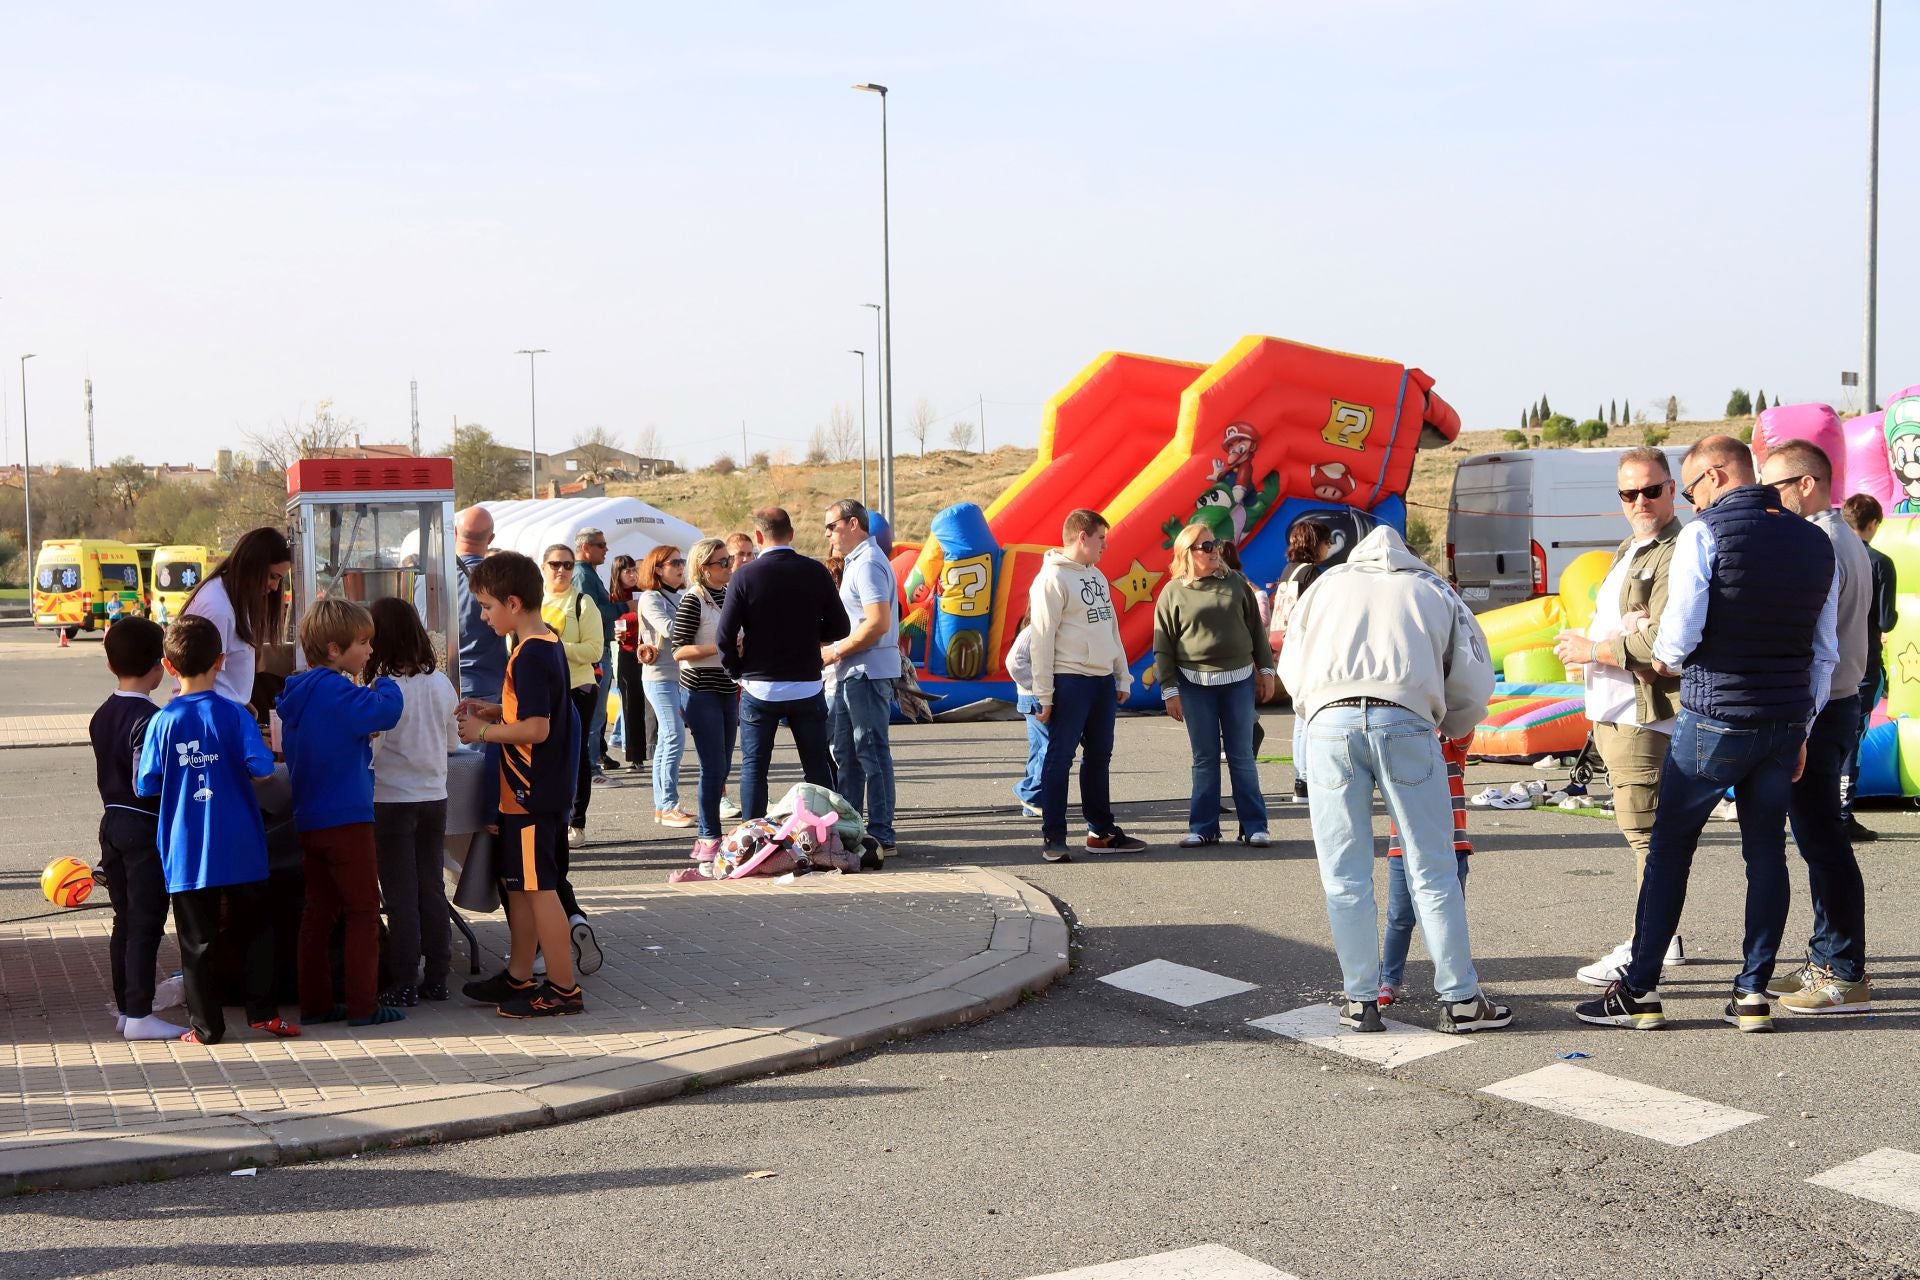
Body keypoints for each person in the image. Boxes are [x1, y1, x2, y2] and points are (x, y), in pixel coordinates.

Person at [1575, 436, 1837, 1034]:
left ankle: (1639, 989)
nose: (1691, 502)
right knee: (1766, 853)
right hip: (1783, 721)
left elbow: (1676, 646)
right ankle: (1751, 993)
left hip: (1716, 717)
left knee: (1669, 848)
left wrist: (1643, 632)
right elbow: (1825, 653)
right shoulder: (1814, 541)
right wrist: (1803, 726)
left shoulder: (1705, 534)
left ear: (1716, 476)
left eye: (1690, 489)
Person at [1278, 524, 1508, 1035]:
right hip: (1405, 719)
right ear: (1409, 554)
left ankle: (1361, 999)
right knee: (1433, 867)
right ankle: (1461, 998)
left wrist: (1317, 707)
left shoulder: (1324, 588)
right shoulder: (1431, 589)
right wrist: (1452, 722)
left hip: (1331, 723)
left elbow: (1292, 664)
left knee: (1345, 874)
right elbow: (1473, 673)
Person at [1551, 447, 1689, 987]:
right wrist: (1613, 634)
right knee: (1644, 832)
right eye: (1628, 493)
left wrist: (1597, 646)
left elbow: (1661, 643)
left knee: (1646, 834)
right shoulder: (1631, 548)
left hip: (1643, 712)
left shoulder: (1676, 550)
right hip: (1616, 707)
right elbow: (1630, 626)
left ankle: (1650, 943)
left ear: (1672, 489)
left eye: (1650, 490)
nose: (1639, 502)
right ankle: (1660, 936)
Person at [134, 615, 296, 1044]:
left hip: (187, 850)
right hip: (241, 844)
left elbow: (145, 784)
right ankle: (264, 1013)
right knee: (257, 932)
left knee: (196, 942)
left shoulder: (162, 723)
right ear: (221, 661)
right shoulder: (235, 715)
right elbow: (262, 768)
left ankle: (206, 1028)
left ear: (168, 666)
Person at [1759, 441, 1875, 1016]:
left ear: (1807, 484)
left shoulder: (1821, 543)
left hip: (1822, 707)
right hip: (1834, 702)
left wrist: (1798, 723)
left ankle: (1843, 971)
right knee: (1817, 838)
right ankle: (1826, 956)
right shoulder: (1844, 538)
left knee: (1822, 840)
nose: (1767, 500)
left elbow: (1817, 642)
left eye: (1775, 487)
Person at [457, 550, 586, 1017]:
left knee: (538, 889)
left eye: (487, 606)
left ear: (513, 603)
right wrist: (495, 711)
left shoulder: (529, 654)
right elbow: (541, 713)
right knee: (520, 887)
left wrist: (484, 732)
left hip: (531, 792)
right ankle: (518, 974)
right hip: (534, 791)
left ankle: (563, 988)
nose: (482, 615)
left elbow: (537, 729)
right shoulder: (543, 642)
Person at [279, 599, 406, 1027]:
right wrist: (385, 684)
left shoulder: (299, 693)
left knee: (318, 913)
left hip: (310, 818)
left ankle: (314, 1003)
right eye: (364, 643)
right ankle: (363, 1005)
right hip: (347, 819)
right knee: (363, 912)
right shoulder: (336, 690)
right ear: (335, 650)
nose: (369, 650)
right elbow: (386, 712)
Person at [1028, 508, 1148, 863]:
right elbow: (1041, 639)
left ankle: (1101, 831)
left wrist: (1121, 673)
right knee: (1060, 757)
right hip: (1069, 679)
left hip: (1100, 680)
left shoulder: (1095, 575)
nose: (1104, 547)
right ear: (1082, 537)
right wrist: (1044, 693)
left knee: (1099, 756)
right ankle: (1054, 836)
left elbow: (1110, 628)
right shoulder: (1052, 579)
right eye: (1100, 539)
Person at [716, 507, 849, 820]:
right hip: (806, 683)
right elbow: (841, 628)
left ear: (760, 537)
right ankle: (825, 833)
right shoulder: (815, 571)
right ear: (791, 534)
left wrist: (736, 672)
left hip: (759, 686)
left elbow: (724, 635)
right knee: (816, 765)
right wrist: (812, 635)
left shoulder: (744, 576)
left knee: (754, 767)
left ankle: (752, 836)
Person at [366, 598, 466, 1006]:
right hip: (434, 796)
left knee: (399, 892)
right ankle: (438, 974)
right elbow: (453, 741)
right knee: (431, 886)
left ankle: (405, 976)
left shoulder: (383, 689)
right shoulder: (440, 683)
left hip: (391, 798)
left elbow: (373, 749)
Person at [91, 617, 185, 1040]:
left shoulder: (102, 715)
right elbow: (147, 780)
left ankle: (127, 1011)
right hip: (143, 826)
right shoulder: (151, 718)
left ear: (111, 666)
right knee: (147, 921)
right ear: (161, 666)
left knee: (124, 920)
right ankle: (140, 1013)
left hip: (110, 821)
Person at [1152, 522, 1274, 848]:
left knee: (1242, 756)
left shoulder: (1235, 583)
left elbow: (1256, 632)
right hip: (1193, 684)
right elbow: (1163, 645)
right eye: (1205, 546)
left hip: (1239, 681)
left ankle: (1254, 826)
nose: (1214, 550)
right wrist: (1169, 690)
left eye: (1214, 544)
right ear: (1187, 552)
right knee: (1204, 759)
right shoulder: (1173, 592)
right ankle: (1204, 828)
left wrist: (1266, 671)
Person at [822, 499, 902, 859]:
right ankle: (851, 829)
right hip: (854, 672)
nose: (827, 534)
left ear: (853, 523)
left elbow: (877, 622)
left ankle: (882, 833)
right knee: (848, 754)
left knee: (870, 753)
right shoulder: (860, 561)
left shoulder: (868, 563)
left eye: (832, 526)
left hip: (865, 672)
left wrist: (836, 650)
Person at [1379, 733, 1473, 1007]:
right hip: (1403, 846)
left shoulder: (1451, 744)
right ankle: (1389, 980)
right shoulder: (1402, 744)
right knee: (1399, 917)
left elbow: (1466, 723)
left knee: (1449, 919)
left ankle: (1456, 981)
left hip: (1452, 844)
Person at [672, 537, 740, 858]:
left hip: (728, 689)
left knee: (723, 766)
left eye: (729, 560)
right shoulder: (693, 600)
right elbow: (679, 650)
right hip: (700, 690)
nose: (729, 566)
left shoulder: (728, 595)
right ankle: (708, 836)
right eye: (722, 562)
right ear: (704, 568)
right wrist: (721, 647)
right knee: (713, 767)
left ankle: (709, 835)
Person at [181, 526, 293, 714]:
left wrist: (241, 703)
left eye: (280, 579)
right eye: (272, 577)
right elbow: (199, 682)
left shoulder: (230, 599)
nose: (275, 587)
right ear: (252, 565)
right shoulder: (218, 609)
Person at [1839, 493, 1899, 840]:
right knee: (1853, 737)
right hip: (1863, 664)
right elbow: (1886, 619)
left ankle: (1824, 811)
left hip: (1828, 662)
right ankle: (1842, 815)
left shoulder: (1828, 554)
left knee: (1827, 734)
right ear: (1873, 523)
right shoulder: (1880, 561)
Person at [542, 543, 606, 847]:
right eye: (555, 564)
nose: (562, 571)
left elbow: (595, 650)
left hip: (577, 688)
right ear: (543, 567)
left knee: (576, 755)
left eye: (568, 565)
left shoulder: (583, 602)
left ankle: (576, 822)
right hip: (540, 689)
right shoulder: (533, 602)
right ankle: (548, 817)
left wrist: (553, 647)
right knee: (542, 754)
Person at [1272, 519, 1332, 802]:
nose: (1329, 546)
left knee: (1300, 717)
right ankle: (1307, 779)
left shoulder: (1289, 571)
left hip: (1287, 649)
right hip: (1307, 650)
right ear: (1314, 543)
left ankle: (1301, 779)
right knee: (1308, 717)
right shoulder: (1312, 574)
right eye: (1326, 541)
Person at [637, 545, 693, 827]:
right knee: (673, 736)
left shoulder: (679, 595)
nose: (681, 566)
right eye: (674, 562)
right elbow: (670, 629)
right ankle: (668, 805)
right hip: (658, 676)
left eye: (682, 561)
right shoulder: (651, 597)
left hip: (677, 674)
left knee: (665, 741)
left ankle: (663, 806)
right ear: (658, 568)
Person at [573, 527, 622, 778]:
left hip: (601, 648)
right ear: (586, 548)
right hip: (595, 652)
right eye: (601, 545)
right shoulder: (583, 576)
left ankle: (593, 762)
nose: (606, 550)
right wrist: (623, 607)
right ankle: (590, 768)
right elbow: (594, 613)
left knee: (598, 713)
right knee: (594, 713)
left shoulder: (589, 574)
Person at [452, 506, 508, 703]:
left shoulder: (428, 580)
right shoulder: (499, 582)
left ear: (455, 533)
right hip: (486, 687)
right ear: (491, 538)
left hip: (440, 685)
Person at [609, 554, 658, 776]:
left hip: (649, 653)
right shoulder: (613, 599)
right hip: (627, 654)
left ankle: (654, 752)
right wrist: (615, 630)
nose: (632, 575)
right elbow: (607, 622)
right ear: (617, 574)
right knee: (630, 705)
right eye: (627, 571)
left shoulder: (646, 593)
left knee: (652, 706)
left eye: (634, 570)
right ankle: (635, 756)